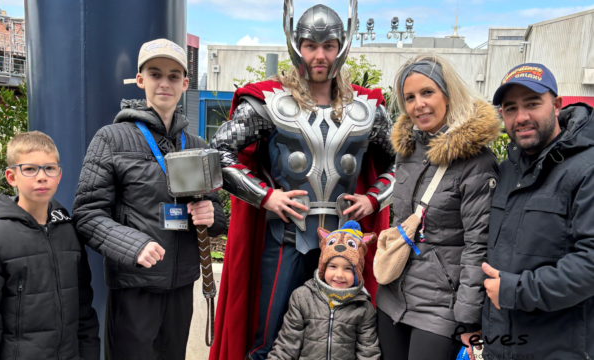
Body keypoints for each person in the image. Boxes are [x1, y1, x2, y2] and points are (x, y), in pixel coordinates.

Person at [208, 4, 396, 360]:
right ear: (296, 46)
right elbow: (219, 155)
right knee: (269, 337)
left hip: (346, 243)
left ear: (342, 46)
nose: (320, 55)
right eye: (311, 44)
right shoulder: (266, 102)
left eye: (329, 45)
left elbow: (399, 165)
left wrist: (372, 199)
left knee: (343, 340)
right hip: (285, 239)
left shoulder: (368, 108)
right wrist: (266, 197)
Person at [71, 38, 227, 360]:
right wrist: (133, 245)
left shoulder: (195, 142)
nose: (164, 83)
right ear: (141, 80)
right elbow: (87, 213)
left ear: (185, 83)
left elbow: (217, 213)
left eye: (173, 76)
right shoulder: (111, 138)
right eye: (155, 74)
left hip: (183, 284)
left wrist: (212, 214)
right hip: (134, 286)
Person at [376, 54, 500, 360]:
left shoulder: (477, 161)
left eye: (427, 92)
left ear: (448, 94)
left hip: (442, 307)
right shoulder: (407, 151)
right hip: (393, 296)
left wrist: (469, 316)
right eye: (410, 97)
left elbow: (478, 243)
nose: (419, 104)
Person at [482, 63, 594, 359]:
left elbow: (590, 264)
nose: (521, 117)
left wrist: (515, 291)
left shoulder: (587, 169)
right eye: (510, 108)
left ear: (557, 105)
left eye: (532, 104)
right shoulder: (507, 171)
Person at [0, 131, 100, 360]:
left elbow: (84, 308)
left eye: (49, 168)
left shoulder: (70, 233)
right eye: (30, 169)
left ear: (59, 175)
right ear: (12, 177)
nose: (42, 177)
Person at [266, 221, 380, 360]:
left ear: (357, 272)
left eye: (348, 268)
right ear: (323, 267)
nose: (339, 274)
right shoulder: (302, 298)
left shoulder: (363, 307)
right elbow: (287, 345)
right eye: (332, 266)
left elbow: (368, 352)